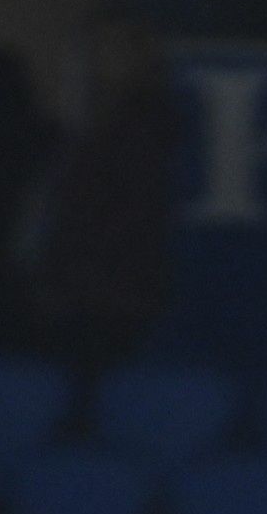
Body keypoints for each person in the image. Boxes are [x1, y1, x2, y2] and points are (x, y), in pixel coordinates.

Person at [24, 22, 176, 368]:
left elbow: (125, 222)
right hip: (93, 297)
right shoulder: (83, 146)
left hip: (107, 299)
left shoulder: (132, 146)